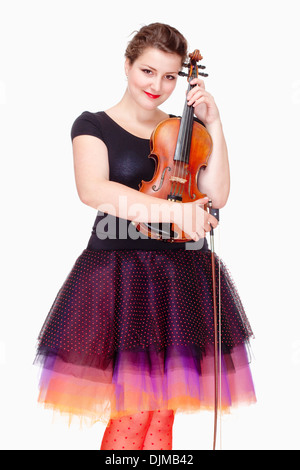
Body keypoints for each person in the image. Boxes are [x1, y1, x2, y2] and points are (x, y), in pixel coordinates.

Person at [34, 23, 256, 451]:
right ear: (127, 65)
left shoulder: (184, 130)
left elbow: (217, 195)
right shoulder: (93, 124)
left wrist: (216, 124)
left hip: (179, 277)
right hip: (120, 277)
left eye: (171, 76)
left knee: (161, 417)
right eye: (148, 71)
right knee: (133, 414)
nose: (159, 85)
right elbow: (95, 190)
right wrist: (175, 211)